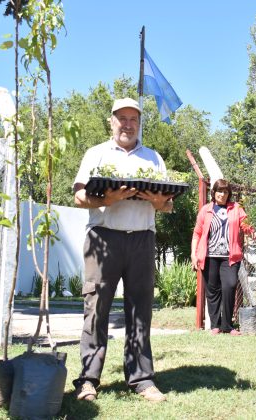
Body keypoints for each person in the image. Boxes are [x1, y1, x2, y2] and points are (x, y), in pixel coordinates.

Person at [71, 98, 173, 403]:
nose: (128, 124)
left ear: (139, 124)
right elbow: (78, 195)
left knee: (140, 309)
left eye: (133, 119)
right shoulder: (96, 154)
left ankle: (142, 378)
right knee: (96, 308)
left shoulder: (153, 158)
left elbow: (168, 204)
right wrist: (108, 199)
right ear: (111, 121)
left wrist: (158, 203)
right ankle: (88, 378)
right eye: (122, 118)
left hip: (142, 239)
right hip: (103, 238)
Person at [190, 179, 256, 335]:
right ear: (213, 193)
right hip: (209, 256)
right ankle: (216, 325)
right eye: (219, 191)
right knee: (212, 290)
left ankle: (228, 325)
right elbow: (197, 233)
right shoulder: (206, 210)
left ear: (229, 194)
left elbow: (248, 227)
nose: (222, 194)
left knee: (230, 286)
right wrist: (193, 254)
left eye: (225, 191)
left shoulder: (236, 209)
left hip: (230, 257)